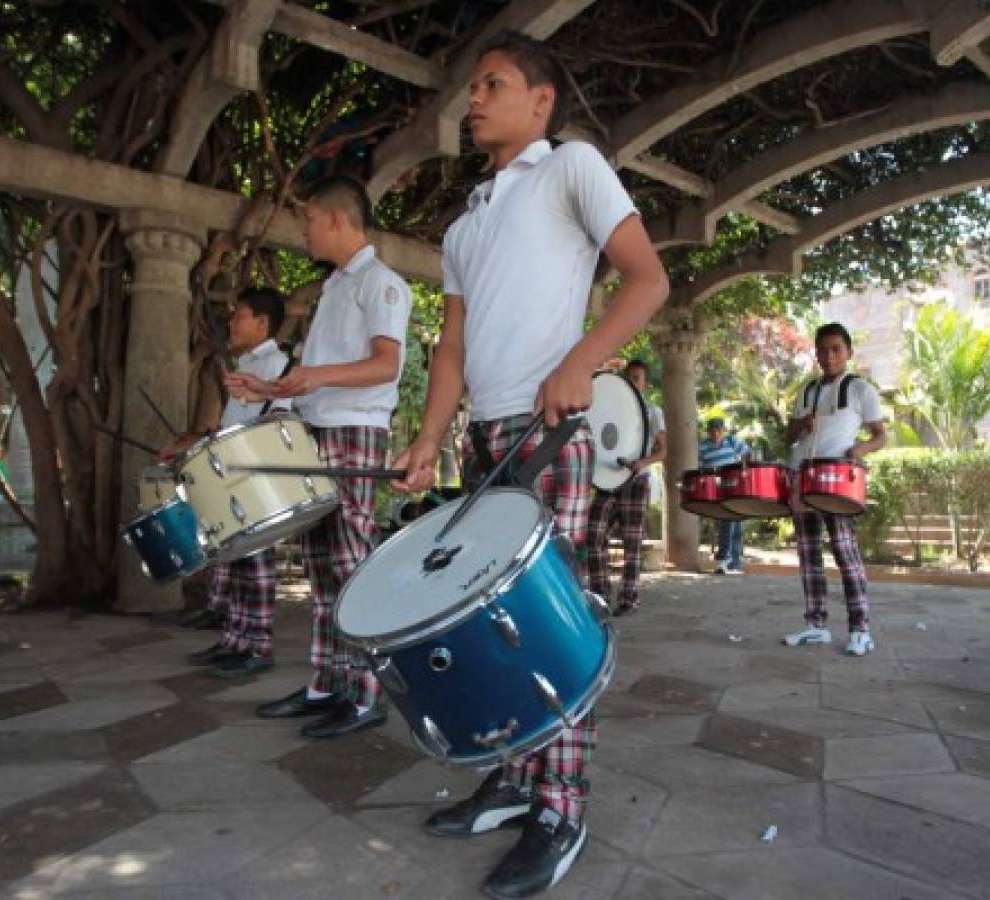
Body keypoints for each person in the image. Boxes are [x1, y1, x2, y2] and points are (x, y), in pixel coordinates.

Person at [392, 30, 668, 900]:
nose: (472, 100)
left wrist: (582, 362)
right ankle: (514, 778)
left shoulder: (572, 168)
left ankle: (560, 804)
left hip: (552, 433)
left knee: (548, 624)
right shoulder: (465, 222)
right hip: (484, 441)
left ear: (539, 100)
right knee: (486, 624)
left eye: (492, 84)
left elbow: (646, 278)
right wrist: (431, 438)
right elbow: (452, 349)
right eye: (472, 87)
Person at [226, 175, 412, 736]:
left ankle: (368, 694)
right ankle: (328, 683)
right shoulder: (335, 287)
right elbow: (322, 378)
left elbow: (386, 365)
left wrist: (312, 378)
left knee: (351, 564)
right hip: (319, 430)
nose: (302, 228)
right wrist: (274, 391)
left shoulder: (381, 283)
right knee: (322, 566)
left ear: (336, 218)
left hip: (355, 432)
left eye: (307, 217)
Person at [166, 288, 290, 677]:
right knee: (236, 562)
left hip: (258, 478)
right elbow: (234, 425)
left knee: (256, 565)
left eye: (240, 316)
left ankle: (259, 646)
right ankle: (236, 640)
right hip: (235, 476)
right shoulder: (245, 367)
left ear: (262, 323)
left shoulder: (277, 365)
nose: (231, 323)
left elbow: (278, 419)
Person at [782, 322, 886, 657]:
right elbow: (789, 437)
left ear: (848, 352)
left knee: (845, 552)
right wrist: (800, 425)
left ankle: (860, 630)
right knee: (809, 555)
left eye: (836, 349)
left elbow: (880, 435)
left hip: (836, 477)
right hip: (802, 475)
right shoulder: (807, 391)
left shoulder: (860, 389)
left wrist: (858, 451)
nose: (829, 356)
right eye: (823, 350)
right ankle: (816, 625)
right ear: (816, 353)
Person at [586, 358, 666, 615]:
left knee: (632, 542)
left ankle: (629, 598)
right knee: (594, 534)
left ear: (645, 384)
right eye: (627, 377)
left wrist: (641, 462)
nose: (630, 382)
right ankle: (600, 593)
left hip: (635, 480)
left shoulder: (653, 412)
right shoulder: (610, 408)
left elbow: (663, 451)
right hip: (607, 480)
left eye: (636, 378)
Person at [698, 416, 751, 575]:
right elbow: (698, 468)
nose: (716, 433)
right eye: (713, 430)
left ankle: (734, 563)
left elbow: (748, 453)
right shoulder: (702, 447)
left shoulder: (732, 441)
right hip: (718, 489)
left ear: (723, 431)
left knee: (737, 524)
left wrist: (744, 469)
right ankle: (723, 560)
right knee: (727, 520)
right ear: (708, 431)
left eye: (719, 430)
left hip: (735, 485)